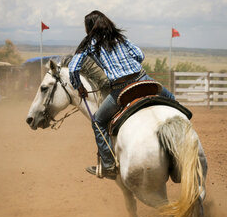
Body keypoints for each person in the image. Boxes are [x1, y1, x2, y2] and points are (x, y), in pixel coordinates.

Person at [68, 10, 175, 179]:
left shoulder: (89, 43)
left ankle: (109, 165)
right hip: (143, 79)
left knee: (98, 122)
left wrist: (79, 86)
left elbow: (73, 68)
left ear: (89, 27)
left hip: (121, 89)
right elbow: (140, 55)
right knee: (172, 101)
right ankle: (176, 153)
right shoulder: (119, 37)